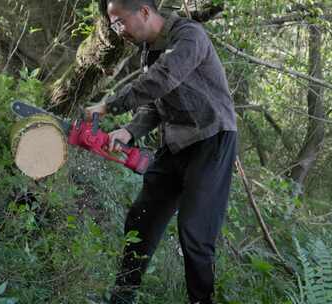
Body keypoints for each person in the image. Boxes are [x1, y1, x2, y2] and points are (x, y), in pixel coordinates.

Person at [84, 1, 238, 303]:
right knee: (141, 219)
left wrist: (110, 104)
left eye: (120, 23)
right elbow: (154, 102)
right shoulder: (149, 52)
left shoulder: (189, 36)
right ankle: (122, 296)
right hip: (176, 145)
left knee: (195, 232)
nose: (118, 32)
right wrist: (130, 131)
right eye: (113, 26)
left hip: (211, 139)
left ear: (144, 11)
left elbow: (164, 78)